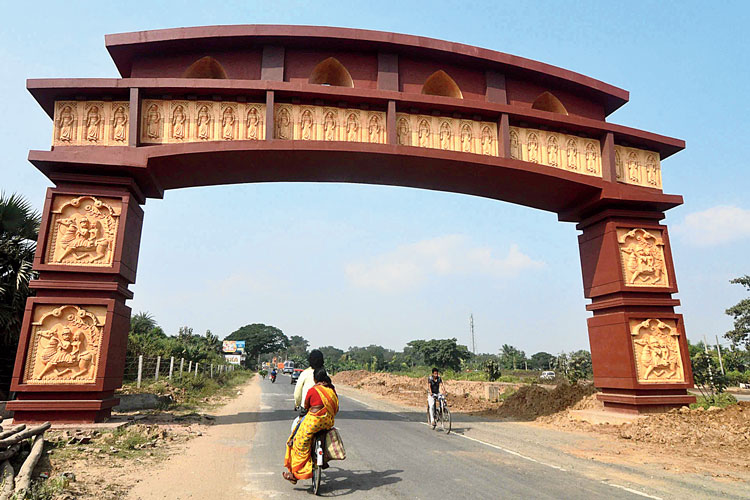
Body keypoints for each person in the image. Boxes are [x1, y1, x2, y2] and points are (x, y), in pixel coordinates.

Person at [283, 368, 339, 483]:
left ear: (315, 379)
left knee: (297, 440)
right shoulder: (332, 391)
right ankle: (322, 459)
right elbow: (336, 408)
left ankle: (295, 473)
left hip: (314, 422)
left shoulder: (313, 390)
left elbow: (306, 406)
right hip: (328, 421)